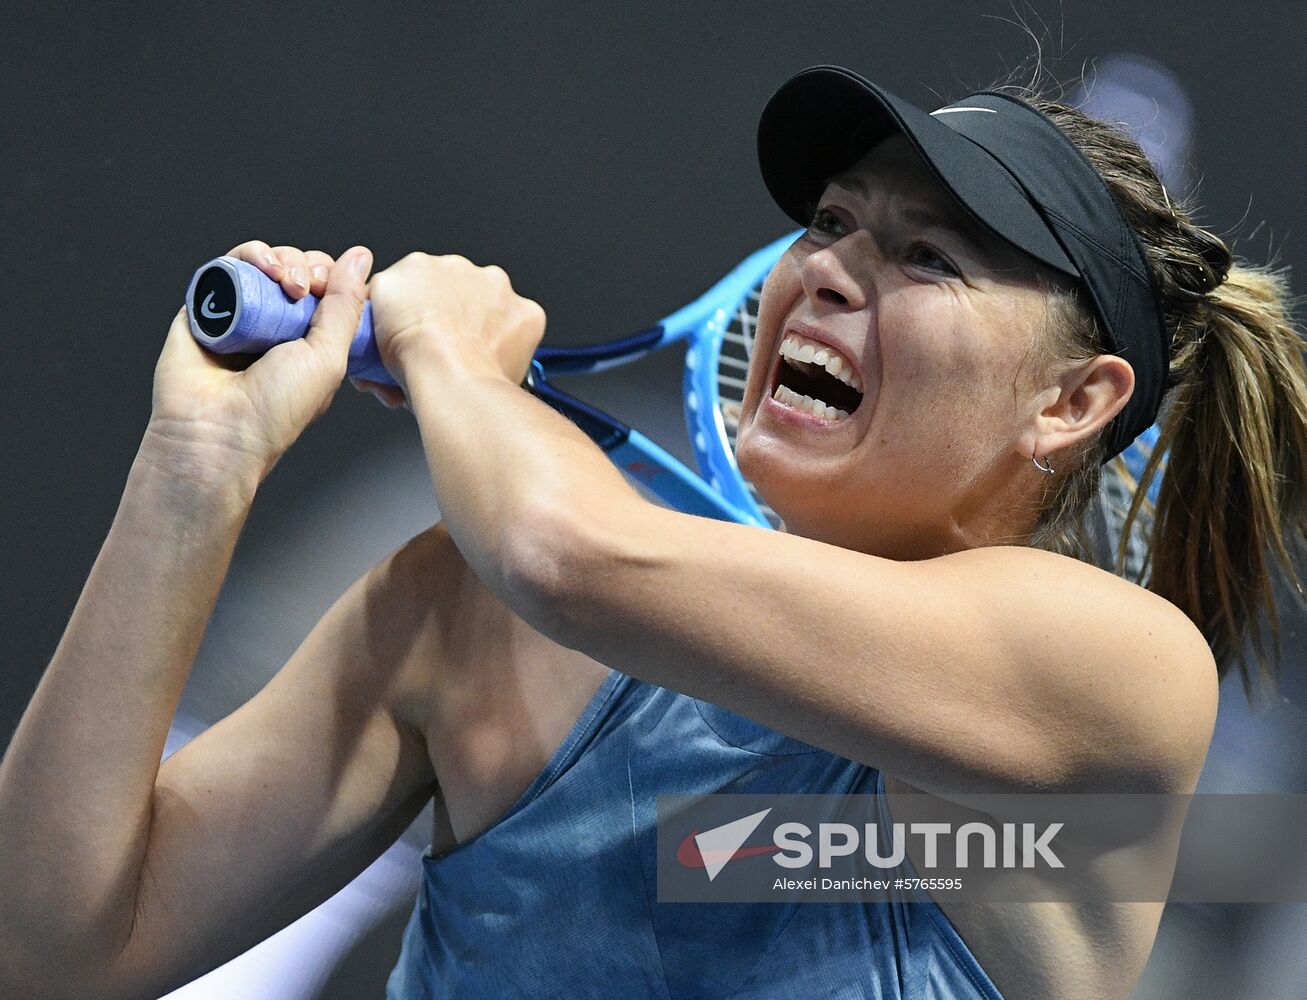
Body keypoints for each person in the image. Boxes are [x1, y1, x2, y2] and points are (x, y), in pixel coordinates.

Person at [2, 63, 1305, 1000]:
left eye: (928, 257)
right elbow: (51, 956)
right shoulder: (465, 608)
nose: (833, 267)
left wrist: (455, 360)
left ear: (1073, 405)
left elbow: (571, 558)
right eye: (834, 221)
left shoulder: (1121, 671)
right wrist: (195, 467)